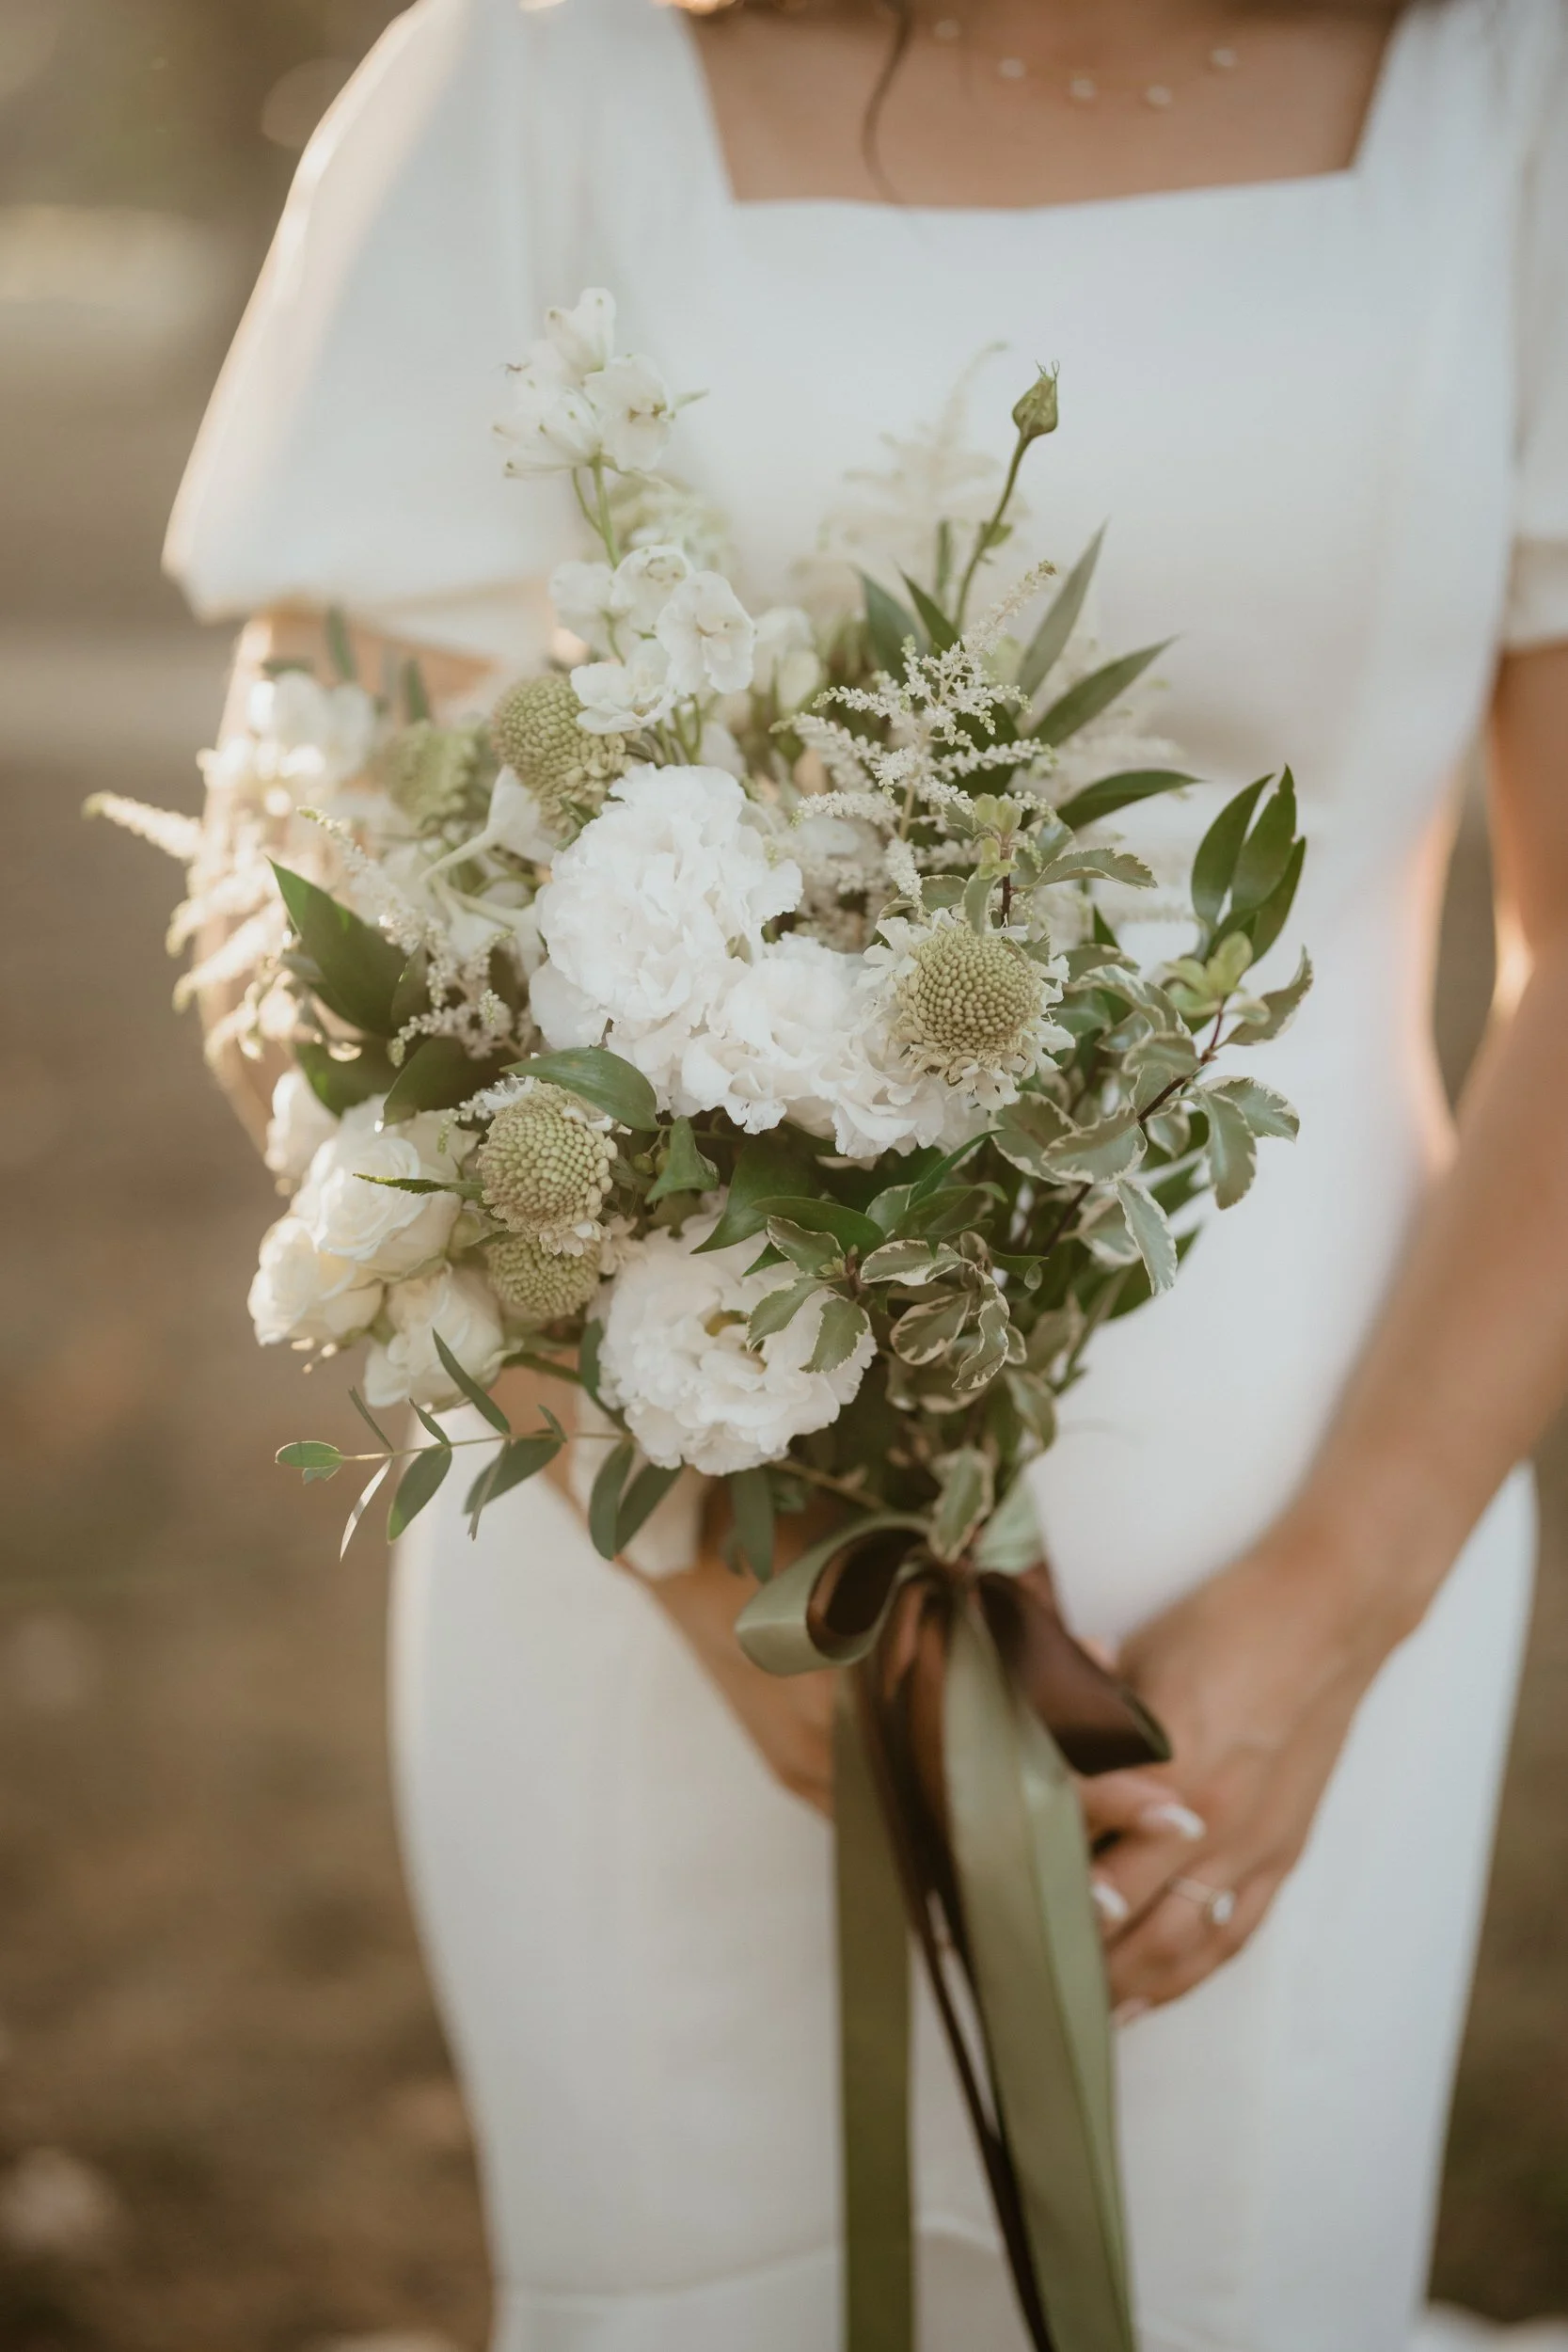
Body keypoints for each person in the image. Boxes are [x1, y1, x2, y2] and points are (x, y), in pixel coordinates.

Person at [165, 0, 1568, 2344]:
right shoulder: (531, 73)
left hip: (1306, 1508)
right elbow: (296, 877)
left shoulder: (1519, 91)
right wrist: (714, 1565)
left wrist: (1328, 1606)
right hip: (648, 1511)